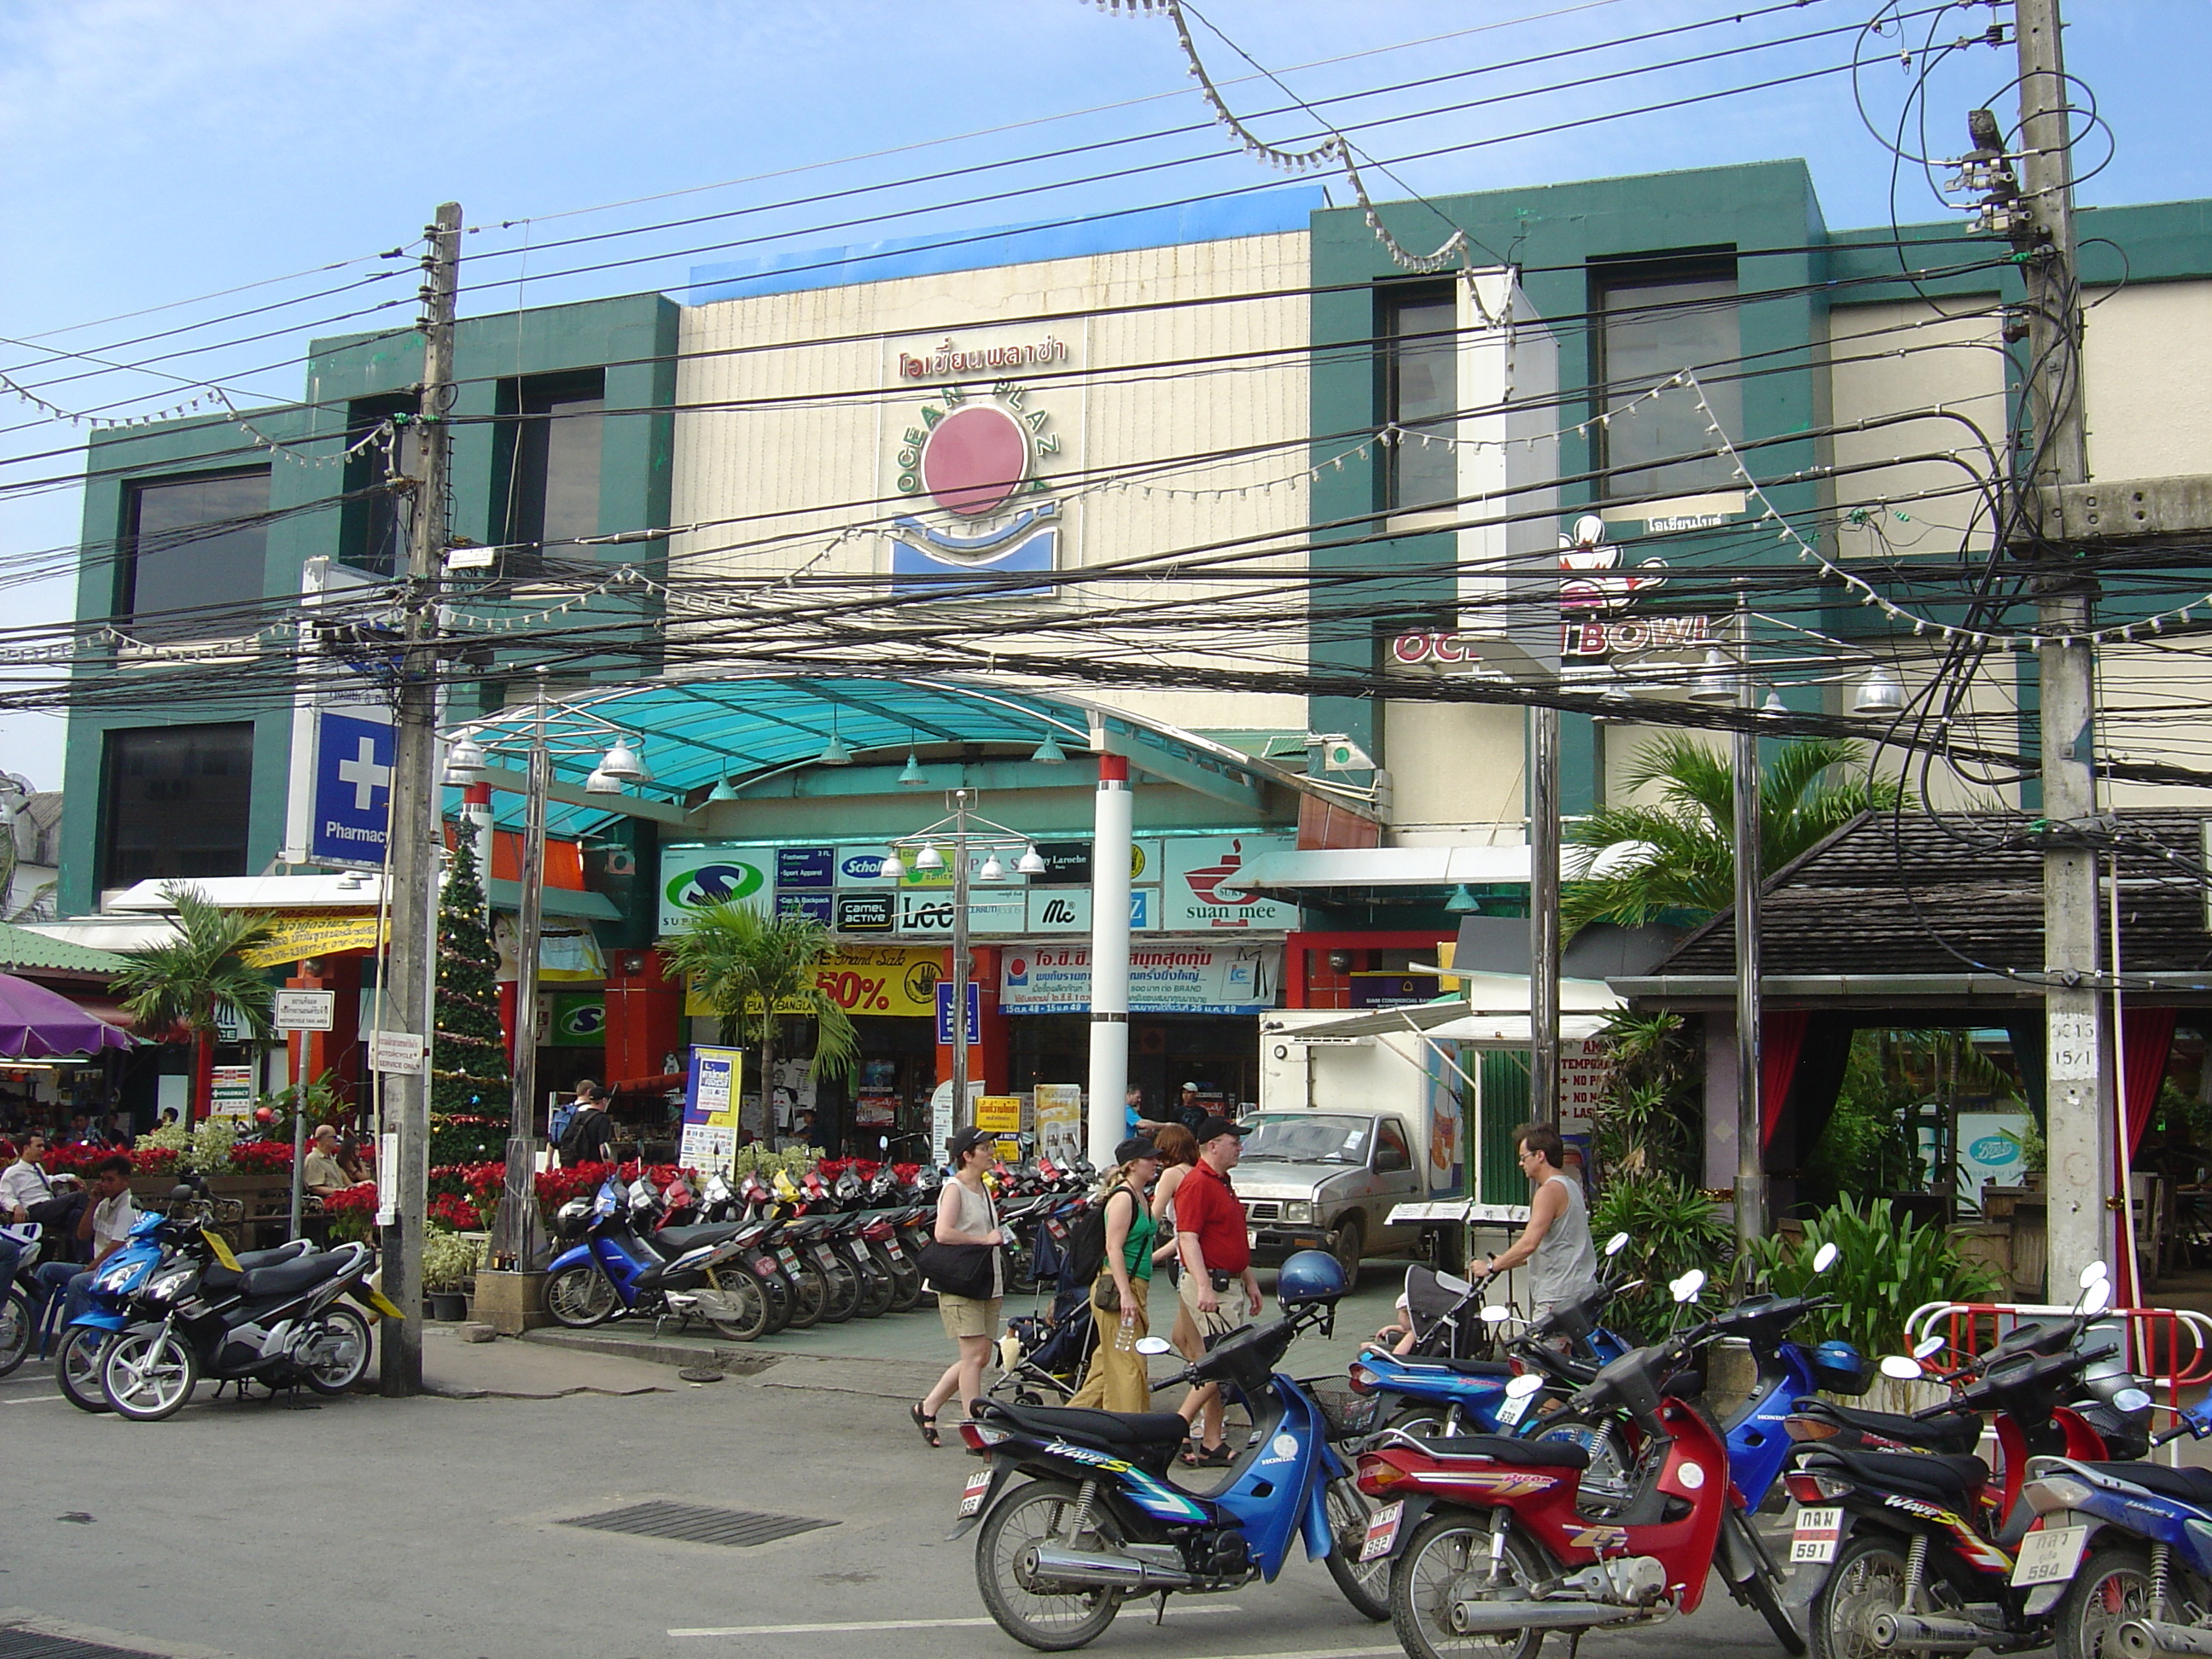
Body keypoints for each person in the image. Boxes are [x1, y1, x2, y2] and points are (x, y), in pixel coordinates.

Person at [1172, 1117, 1262, 1466]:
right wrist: (1205, 1286)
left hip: (1225, 1279)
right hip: (1212, 1284)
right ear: (1212, 1145)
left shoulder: (1222, 1182)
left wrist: (1249, 1279)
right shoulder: (1198, 1183)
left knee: (1208, 1363)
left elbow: (1230, 1238)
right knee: (1226, 1363)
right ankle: (1179, 1426)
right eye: (1233, 1141)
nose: (1239, 1147)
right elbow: (1188, 1237)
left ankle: (1211, 1440)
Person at [914, 1126, 1005, 1447]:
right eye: (985, 1148)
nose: (991, 1152)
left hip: (986, 1279)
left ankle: (928, 1407)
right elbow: (942, 1233)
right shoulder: (955, 1189)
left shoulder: (983, 1187)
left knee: (979, 1356)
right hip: (960, 1282)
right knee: (971, 1358)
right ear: (967, 1156)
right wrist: (983, 1239)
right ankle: (974, 1428)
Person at [1066, 1137, 1167, 1412]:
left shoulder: (1140, 1196)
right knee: (1129, 1366)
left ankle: (1070, 1422)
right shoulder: (1124, 1199)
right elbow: (1114, 1248)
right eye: (1150, 1159)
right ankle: (1128, 1429)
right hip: (1119, 1287)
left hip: (1134, 1285)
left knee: (1107, 1366)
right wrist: (1126, 1295)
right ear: (1132, 1165)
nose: (1156, 1163)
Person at [1476, 1121, 1598, 1324]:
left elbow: (1529, 1244)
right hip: (1581, 1289)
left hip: (1559, 1296)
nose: (1520, 1164)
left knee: (1539, 1354)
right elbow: (1550, 1246)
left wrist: (1490, 1266)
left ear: (1540, 1155)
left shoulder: (1548, 1192)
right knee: (1570, 1355)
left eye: (1523, 1157)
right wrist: (1506, 1260)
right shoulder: (1570, 1185)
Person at [32, 1153, 136, 1331]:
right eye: (102, 1180)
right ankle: (27, 1327)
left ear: (125, 1181)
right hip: (96, 1268)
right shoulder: (103, 1204)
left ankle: (71, 1340)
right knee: (47, 1270)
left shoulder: (128, 1207)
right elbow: (82, 1234)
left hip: (112, 1271)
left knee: (78, 1282)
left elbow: (115, 1247)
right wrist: (92, 1204)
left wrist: (89, 1269)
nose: (104, 1185)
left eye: (110, 1180)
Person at [558, 1081, 614, 1168]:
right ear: (604, 1101)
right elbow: (603, 1147)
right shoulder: (603, 1119)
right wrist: (611, 1167)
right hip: (594, 1168)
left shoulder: (577, 1115)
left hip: (575, 1165)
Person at [302, 1125, 354, 1196]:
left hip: (340, 1195)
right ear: (326, 1140)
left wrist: (351, 1187)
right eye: (334, 1137)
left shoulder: (329, 1156)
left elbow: (341, 1174)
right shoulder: (313, 1158)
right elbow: (315, 1188)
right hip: (329, 1199)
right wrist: (341, 1191)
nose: (337, 1140)